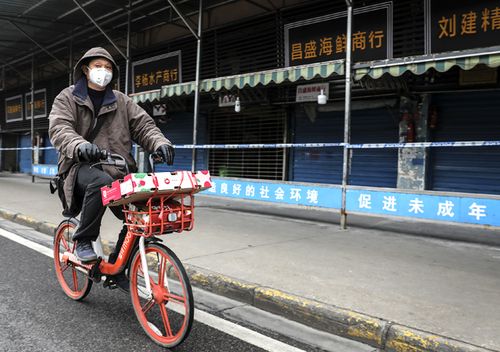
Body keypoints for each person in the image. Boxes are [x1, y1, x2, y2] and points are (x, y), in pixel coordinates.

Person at [49, 47, 174, 274]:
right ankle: (83, 240)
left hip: (119, 169)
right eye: (98, 66)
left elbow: (144, 126)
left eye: (107, 67)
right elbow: (59, 128)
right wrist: (79, 146)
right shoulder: (67, 97)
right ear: (86, 70)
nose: (103, 71)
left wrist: (160, 143)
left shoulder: (122, 101)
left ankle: (119, 267)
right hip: (78, 169)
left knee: (142, 215)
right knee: (101, 182)